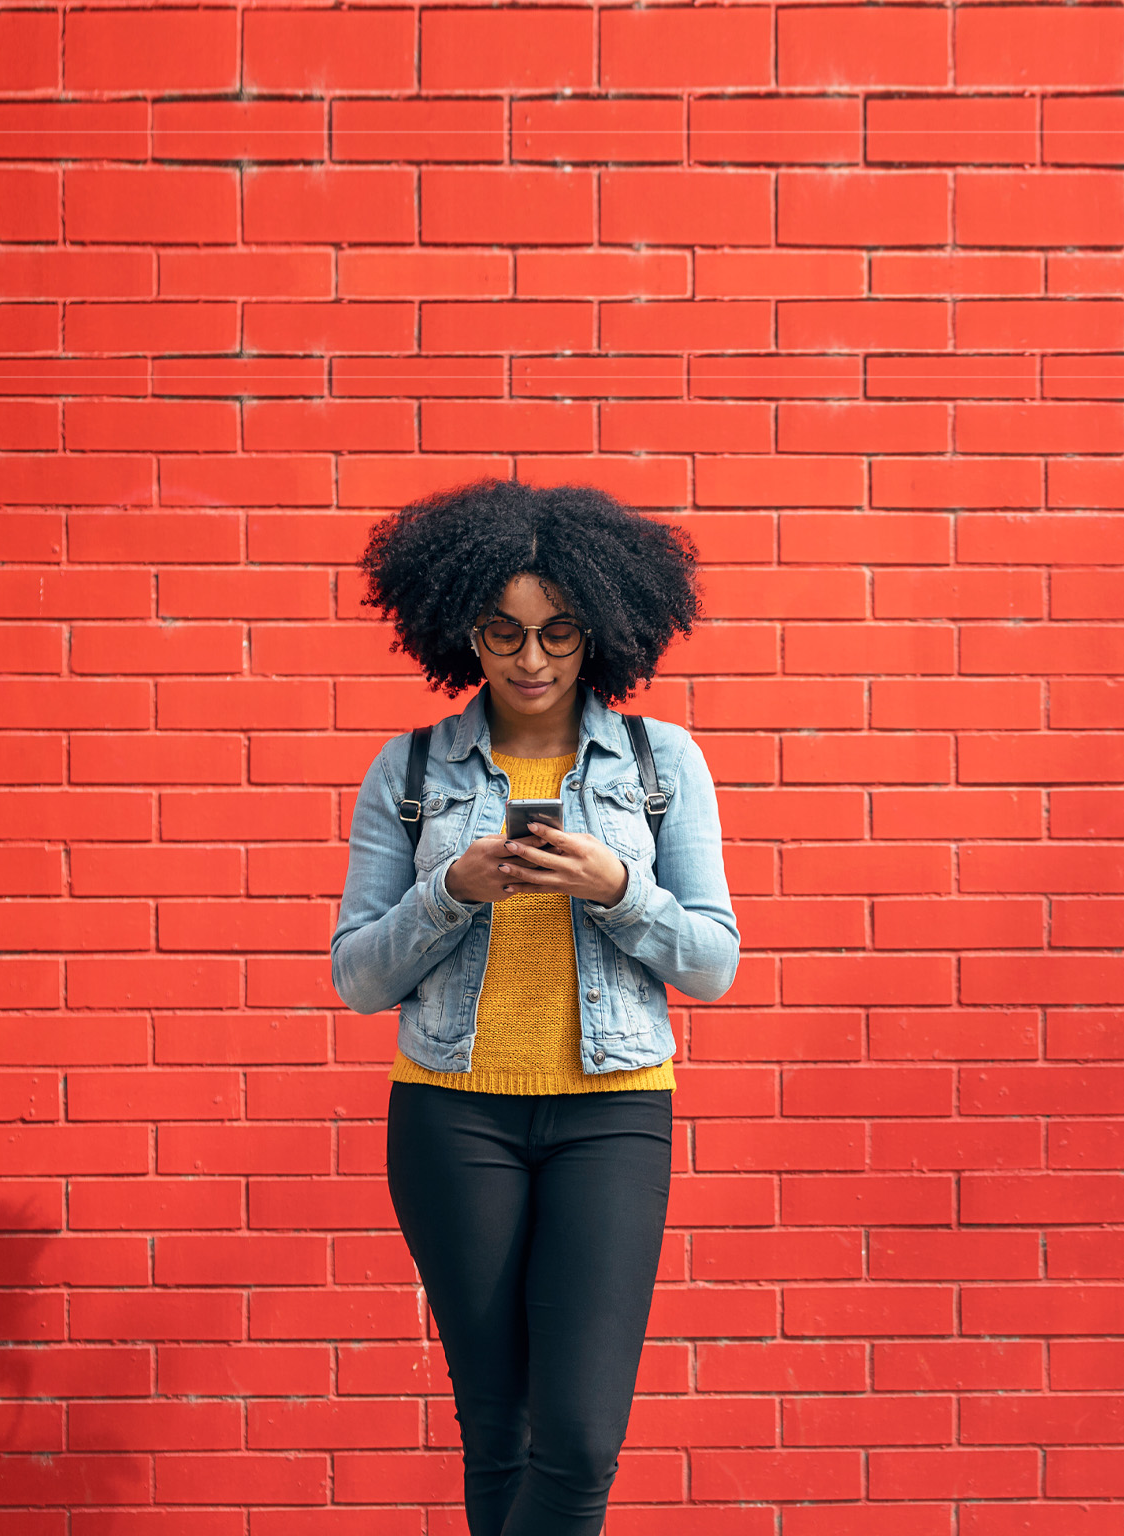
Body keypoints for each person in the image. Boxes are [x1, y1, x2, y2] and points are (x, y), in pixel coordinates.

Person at [331, 479, 739, 1536]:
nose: (530, 658)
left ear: (599, 628)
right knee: (497, 1428)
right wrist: (450, 891)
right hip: (451, 1115)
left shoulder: (662, 766)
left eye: (559, 631)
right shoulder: (412, 769)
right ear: (464, 629)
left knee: (580, 1441)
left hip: (611, 1113)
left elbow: (713, 963)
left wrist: (617, 889)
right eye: (502, 631)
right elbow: (358, 977)